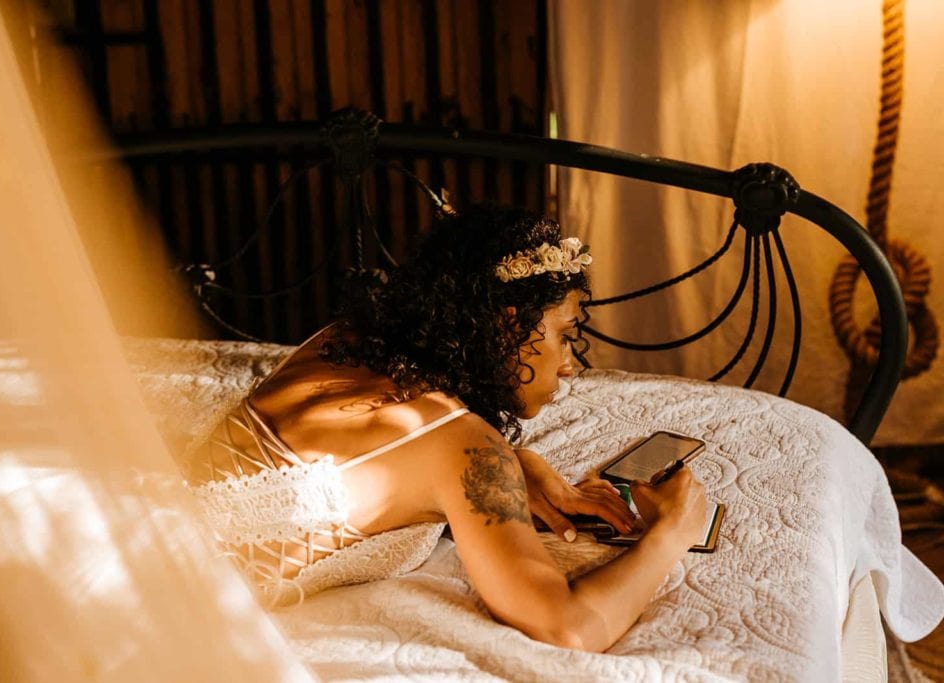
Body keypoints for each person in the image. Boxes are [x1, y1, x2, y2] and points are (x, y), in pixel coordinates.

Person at [186, 205, 709, 652]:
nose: (571, 365)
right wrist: (669, 537)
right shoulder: (464, 446)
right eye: (565, 335)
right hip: (163, 604)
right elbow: (566, 628)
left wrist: (517, 465)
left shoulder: (340, 341)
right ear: (509, 323)